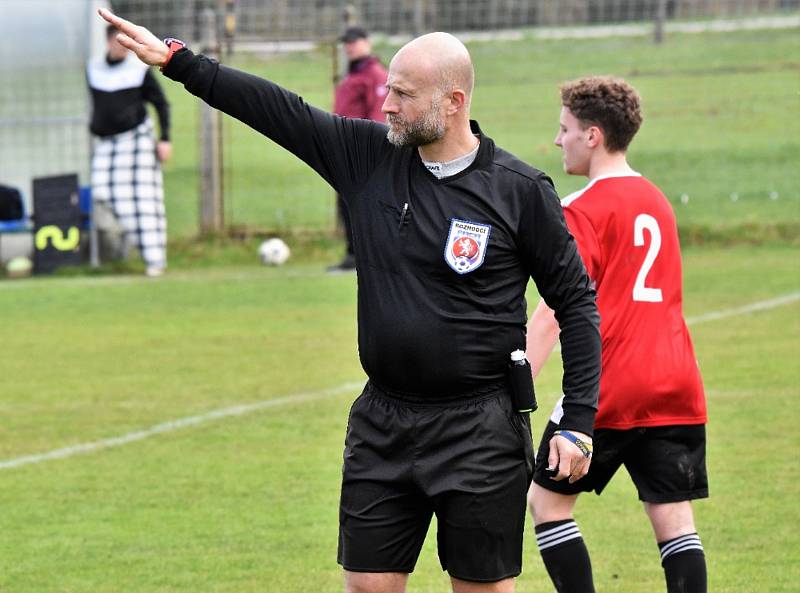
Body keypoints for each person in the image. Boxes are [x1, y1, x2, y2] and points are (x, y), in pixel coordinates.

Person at [98, 9, 602, 593]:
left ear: (454, 100)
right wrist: (181, 64)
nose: (386, 104)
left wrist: (579, 421)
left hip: (479, 428)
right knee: (367, 585)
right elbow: (280, 112)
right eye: (388, 88)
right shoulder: (367, 158)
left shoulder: (519, 191)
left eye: (404, 94)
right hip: (384, 422)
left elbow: (575, 303)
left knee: (482, 589)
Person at [526, 76, 708, 593]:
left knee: (547, 504)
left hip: (610, 387)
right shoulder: (658, 200)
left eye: (564, 129)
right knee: (674, 521)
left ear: (593, 135)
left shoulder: (583, 209)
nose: (557, 140)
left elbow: (555, 311)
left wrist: (515, 383)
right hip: (676, 382)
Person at [87, 24, 173, 277]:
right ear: (108, 42)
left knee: (145, 202)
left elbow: (161, 103)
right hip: (106, 144)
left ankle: (155, 260)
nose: (121, 47)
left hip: (136, 141)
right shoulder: (94, 69)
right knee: (101, 189)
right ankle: (127, 234)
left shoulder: (139, 70)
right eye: (118, 41)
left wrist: (165, 138)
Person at [328, 26, 388, 272]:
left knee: (364, 202)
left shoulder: (374, 74)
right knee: (346, 202)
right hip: (345, 149)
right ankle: (354, 253)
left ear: (366, 42)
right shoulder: (352, 75)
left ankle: (366, 255)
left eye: (354, 42)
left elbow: (379, 113)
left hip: (362, 150)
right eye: (346, 43)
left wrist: (370, 148)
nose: (349, 46)